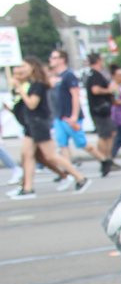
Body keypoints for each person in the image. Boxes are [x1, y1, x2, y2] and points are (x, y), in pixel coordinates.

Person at [6, 56, 88, 200]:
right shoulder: (33, 83)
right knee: (27, 155)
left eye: (25, 66)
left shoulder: (38, 84)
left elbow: (32, 104)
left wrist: (20, 89)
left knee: (50, 155)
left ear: (32, 67)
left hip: (39, 122)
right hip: (31, 124)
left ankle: (79, 177)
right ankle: (27, 188)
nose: (22, 69)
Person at [84, 53, 118, 176]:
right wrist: (109, 90)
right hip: (100, 109)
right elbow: (95, 89)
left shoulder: (92, 74)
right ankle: (104, 159)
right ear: (98, 60)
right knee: (104, 135)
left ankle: (106, 158)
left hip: (100, 109)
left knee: (109, 134)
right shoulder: (96, 75)